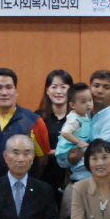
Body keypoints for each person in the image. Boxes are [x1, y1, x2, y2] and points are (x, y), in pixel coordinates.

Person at [0, 67, 51, 185]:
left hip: (23, 187)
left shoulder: (34, 121)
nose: (4, 93)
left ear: (16, 91)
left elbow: (43, 159)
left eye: (9, 87)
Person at [59, 70, 110, 182]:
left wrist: (72, 162)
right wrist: (69, 160)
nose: (99, 91)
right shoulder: (78, 116)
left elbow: (97, 156)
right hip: (74, 182)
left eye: (106, 87)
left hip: (102, 183)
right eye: (96, 86)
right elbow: (62, 152)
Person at [36, 69, 75, 199]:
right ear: (47, 90)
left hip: (70, 177)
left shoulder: (78, 118)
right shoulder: (38, 117)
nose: (58, 91)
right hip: (43, 175)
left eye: (63, 87)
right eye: (54, 87)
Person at [56, 82, 94, 163]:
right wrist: (78, 142)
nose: (88, 104)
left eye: (90, 100)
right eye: (83, 102)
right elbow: (65, 133)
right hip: (67, 150)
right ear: (73, 105)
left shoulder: (84, 115)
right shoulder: (75, 119)